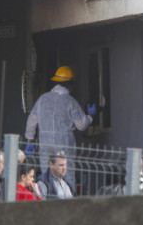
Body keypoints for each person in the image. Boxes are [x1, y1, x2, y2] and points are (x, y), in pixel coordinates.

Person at [24, 65, 96, 193]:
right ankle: (68, 204)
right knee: (67, 176)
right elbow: (81, 125)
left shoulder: (42, 99)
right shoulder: (70, 101)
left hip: (45, 144)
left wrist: (30, 141)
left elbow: (31, 121)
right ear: (71, 84)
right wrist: (90, 116)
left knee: (46, 177)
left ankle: (46, 201)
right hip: (64, 145)